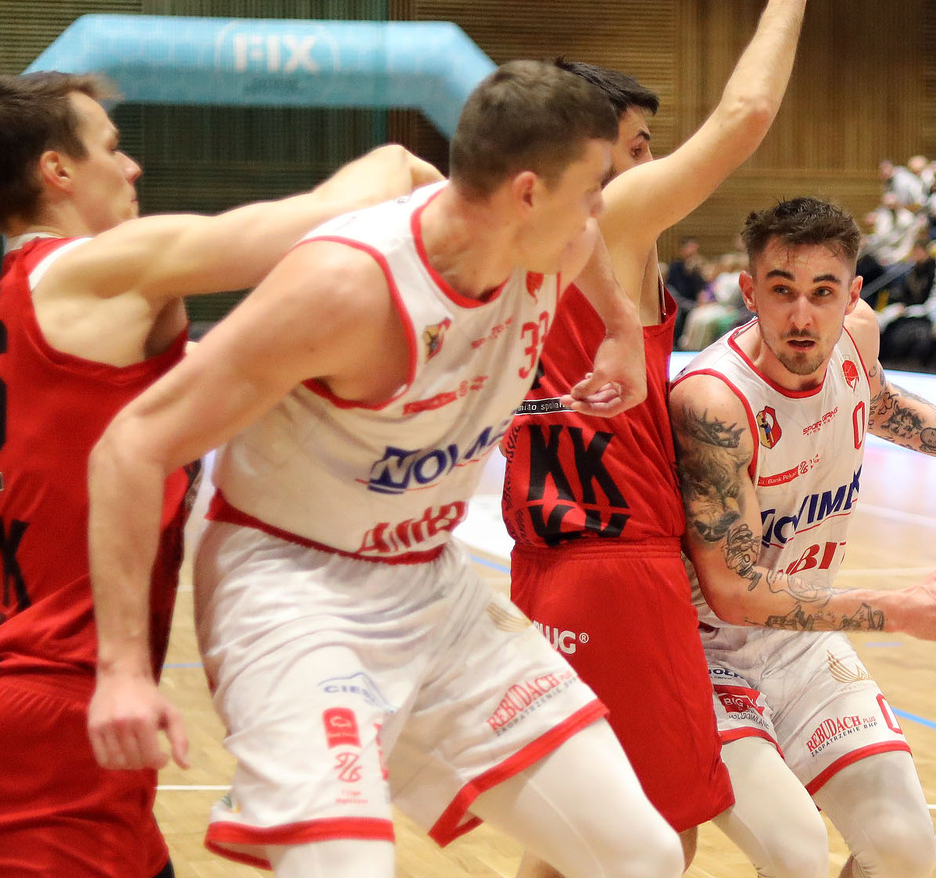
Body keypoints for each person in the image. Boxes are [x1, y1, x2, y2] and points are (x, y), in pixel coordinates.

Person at [85, 60, 687, 878]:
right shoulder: (346, 288)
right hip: (296, 589)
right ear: (525, 193)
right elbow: (131, 445)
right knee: (347, 867)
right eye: (590, 190)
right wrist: (121, 671)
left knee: (642, 856)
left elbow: (580, 245)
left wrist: (619, 328)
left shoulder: (552, 238)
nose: (600, 212)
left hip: (431, 585)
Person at [0, 71, 440, 878]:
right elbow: (312, 222)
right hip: (50, 716)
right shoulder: (96, 268)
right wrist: (407, 163)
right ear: (57, 170)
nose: (132, 168)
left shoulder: (9, 305)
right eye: (113, 148)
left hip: (6, 695)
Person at [500, 0, 817, 878]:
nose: (651, 165)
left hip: (539, 565)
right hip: (620, 568)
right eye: (639, 144)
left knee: (581, 837)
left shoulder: (502, 235)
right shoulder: (607, 216)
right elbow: (744, 118)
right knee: (657, 835)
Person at [669, 197, 936, 878]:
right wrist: (895, 611)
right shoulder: (713, 403)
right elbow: (734, 591)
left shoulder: (856, 337)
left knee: (903, 850)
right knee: (795, 853)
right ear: (749, 291)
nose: (802, 316)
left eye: (823, 292)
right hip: (705, 655)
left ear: (853, 295)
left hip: (800, 644)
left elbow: (882, 405)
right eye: (781, 290)